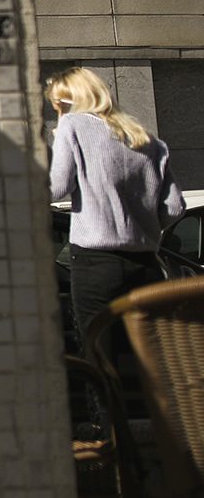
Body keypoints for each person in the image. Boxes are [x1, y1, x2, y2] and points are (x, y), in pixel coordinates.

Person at [47, 66, 185, 389]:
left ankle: (110, 431)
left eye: (56, 104)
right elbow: (175, 207)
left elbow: (55, 188)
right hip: (146, 263)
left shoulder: (73, 126)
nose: (56, 111)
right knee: (150, 356)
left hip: (96, 263)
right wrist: (143, 227)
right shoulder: (149, 140)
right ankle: (165, 429)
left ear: (69, 100)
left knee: (99, 354)